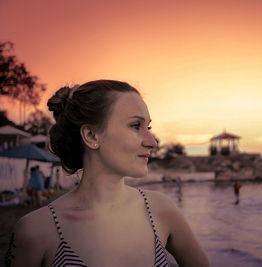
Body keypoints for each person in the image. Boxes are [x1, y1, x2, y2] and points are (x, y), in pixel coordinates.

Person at [6, 80, 209, 267]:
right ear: (91, 135)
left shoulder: (161, 210)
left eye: (148, 127)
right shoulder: (36, 230)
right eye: (136, 126)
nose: (152, 142)